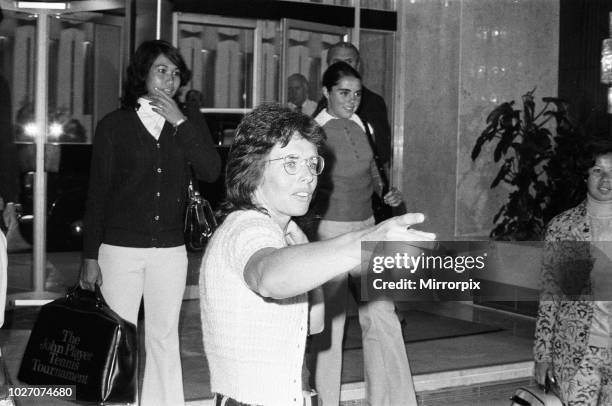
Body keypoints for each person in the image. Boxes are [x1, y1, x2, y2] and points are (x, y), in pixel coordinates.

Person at [199, 103, 434, 406]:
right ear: (253, 166)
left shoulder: (281, 232)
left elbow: (315, 323)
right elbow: (269, 277)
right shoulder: (246, 229)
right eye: (291, 163)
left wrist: (302, 249)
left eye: (312, 164)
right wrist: (364, 242)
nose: (308, 176)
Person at [79, 39, 221, 406]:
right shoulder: (114, 126)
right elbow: (98, 194)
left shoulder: (186, 122)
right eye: (162, 70)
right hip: (119, 251)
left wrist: (180, 121)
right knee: (118, 339)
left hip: (169, 250)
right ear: (142, 74)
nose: (170, 80)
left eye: (175, 74)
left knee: (163, 336)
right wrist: (89, 256)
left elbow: (210, 169)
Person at [308, 61, 414, 406]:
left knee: (383, 319)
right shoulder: (312, 131)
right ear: (326, 93)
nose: (351, 100)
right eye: (343, 93)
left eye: (356, 94)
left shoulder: (362, 124)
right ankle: (325, 401)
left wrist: (388, 193)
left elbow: (373, 172)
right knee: (331, 326)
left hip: (368, 227)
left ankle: (393, 401)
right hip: (331, 233)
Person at [534, 139, 612, 405]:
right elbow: (550, 295)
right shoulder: (564, 227)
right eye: (597, 170)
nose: (605, 179)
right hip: (576, 352)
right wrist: (543, 355)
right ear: (585, 175)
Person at [326, 41, 392, 167]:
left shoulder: (371, 102)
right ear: (328, 65)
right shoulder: (324, 101)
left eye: (349, 61)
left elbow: (382, 152)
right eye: (336, 62)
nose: (343, 67)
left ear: (358, 65)